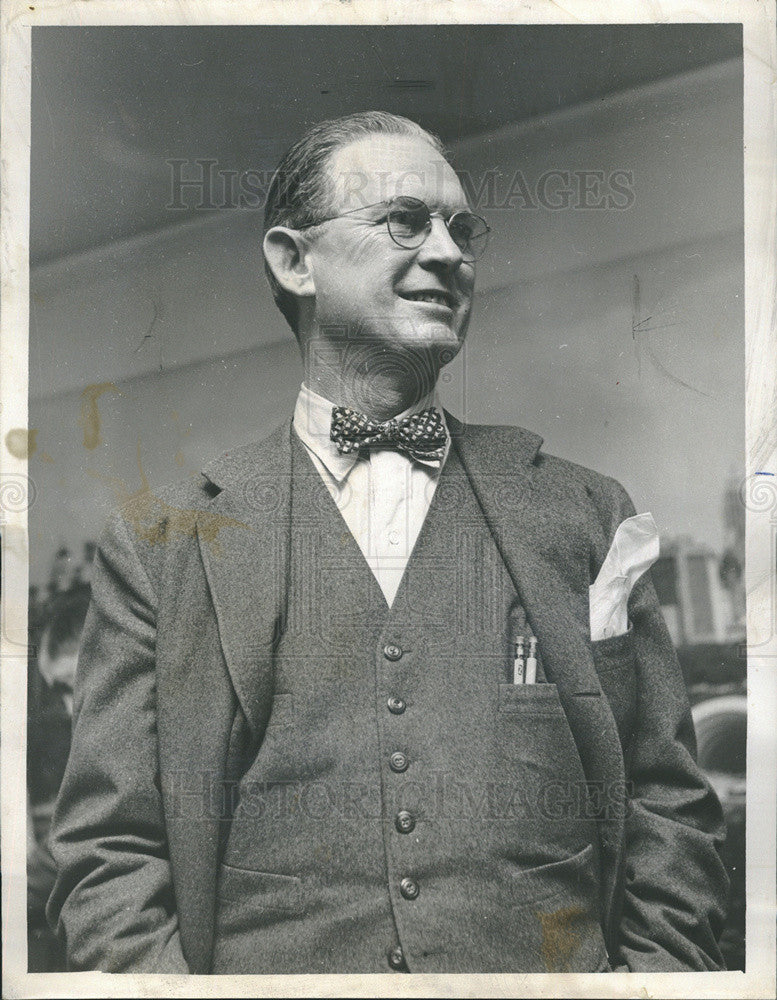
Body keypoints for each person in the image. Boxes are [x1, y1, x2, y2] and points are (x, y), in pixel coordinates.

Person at [47, 111, 729, 975]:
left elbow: (668, 804)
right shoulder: (161, 541)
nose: (448, 253)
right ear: (295, 261)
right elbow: (109, 852)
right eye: (404, 220)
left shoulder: (581, 510)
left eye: (461, 228)